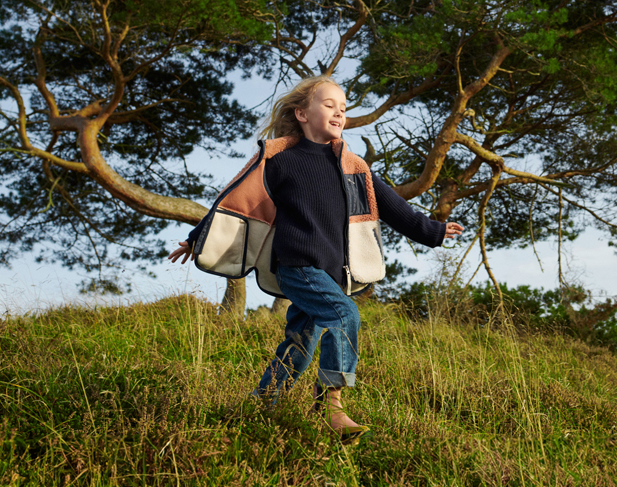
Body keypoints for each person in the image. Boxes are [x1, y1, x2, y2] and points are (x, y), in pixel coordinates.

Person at [169, 76, 463, 442]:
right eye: (329, 106)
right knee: (343, 315)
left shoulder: (354, 167)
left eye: (343, 109)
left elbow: (391, 206)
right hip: (296, 266)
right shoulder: (279, 160)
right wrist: (196, 238)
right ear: (302, 113)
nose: (339, 113)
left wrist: (432, 231)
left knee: (301, 342)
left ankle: (261, 402)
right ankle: (331, 402)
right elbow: (233, 201)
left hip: (332, 272)